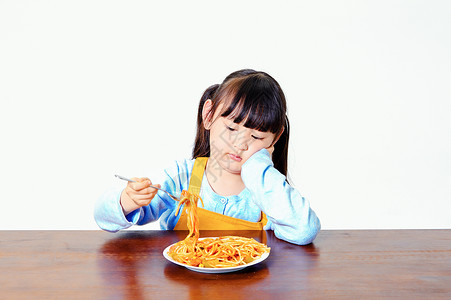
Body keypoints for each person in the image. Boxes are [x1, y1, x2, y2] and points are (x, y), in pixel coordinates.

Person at [94, 69, 321, 245]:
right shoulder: (182, 178)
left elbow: (304, 230)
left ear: (275, 138)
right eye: (231, 129)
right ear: (209, 115)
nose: (240, 144)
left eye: (256, 136)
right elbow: (103, 216)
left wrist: (258, 167)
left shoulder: (267, 191)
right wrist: (128, 201)